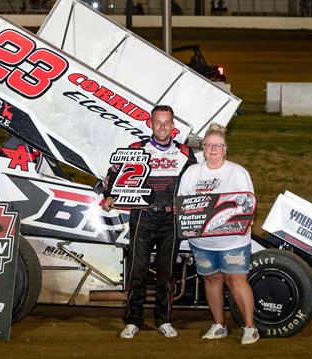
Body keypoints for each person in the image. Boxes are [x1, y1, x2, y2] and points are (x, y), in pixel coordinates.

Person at [102, 105, 196, 339]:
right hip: (143, 216)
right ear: (150, 123)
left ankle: (163, 319)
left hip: (171, 219)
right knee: (137, 271)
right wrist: (109, 195)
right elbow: (112, 174)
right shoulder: (136, 149)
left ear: (173, 126)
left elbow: (196, 182)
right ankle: (133, 320)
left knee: (166, 273)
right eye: (158, 122)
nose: (162, 127)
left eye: (167, 123)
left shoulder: (185, 153)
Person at [177, 123, 259, 345]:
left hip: (232, 241)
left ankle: (250, 327)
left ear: (226, 148)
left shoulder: (237, 172)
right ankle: (219, 325)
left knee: (236, 280)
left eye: (218, 146)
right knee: (212, 280)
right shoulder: (192, 173)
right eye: (208, 146)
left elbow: (248, 204)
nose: (213, 150)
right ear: (202, 148)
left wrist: (246, 217)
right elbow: (182, 204)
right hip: (202, 242)